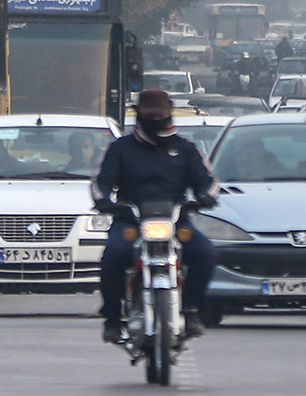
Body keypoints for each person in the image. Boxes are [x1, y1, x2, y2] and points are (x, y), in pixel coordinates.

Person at [91, 89, 220, 343]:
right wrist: (104, 201)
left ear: (169, 114)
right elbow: (100, 182)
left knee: (206, 252)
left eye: (159, 116)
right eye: (149, 116)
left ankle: (192, 310)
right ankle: (113, 318)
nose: (155, 121)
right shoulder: (120, 149)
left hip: (175, 222)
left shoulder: (185, 149)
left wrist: (206, 196)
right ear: (138, 115)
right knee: (113, 254)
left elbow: (208, 182)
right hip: (131, 221)